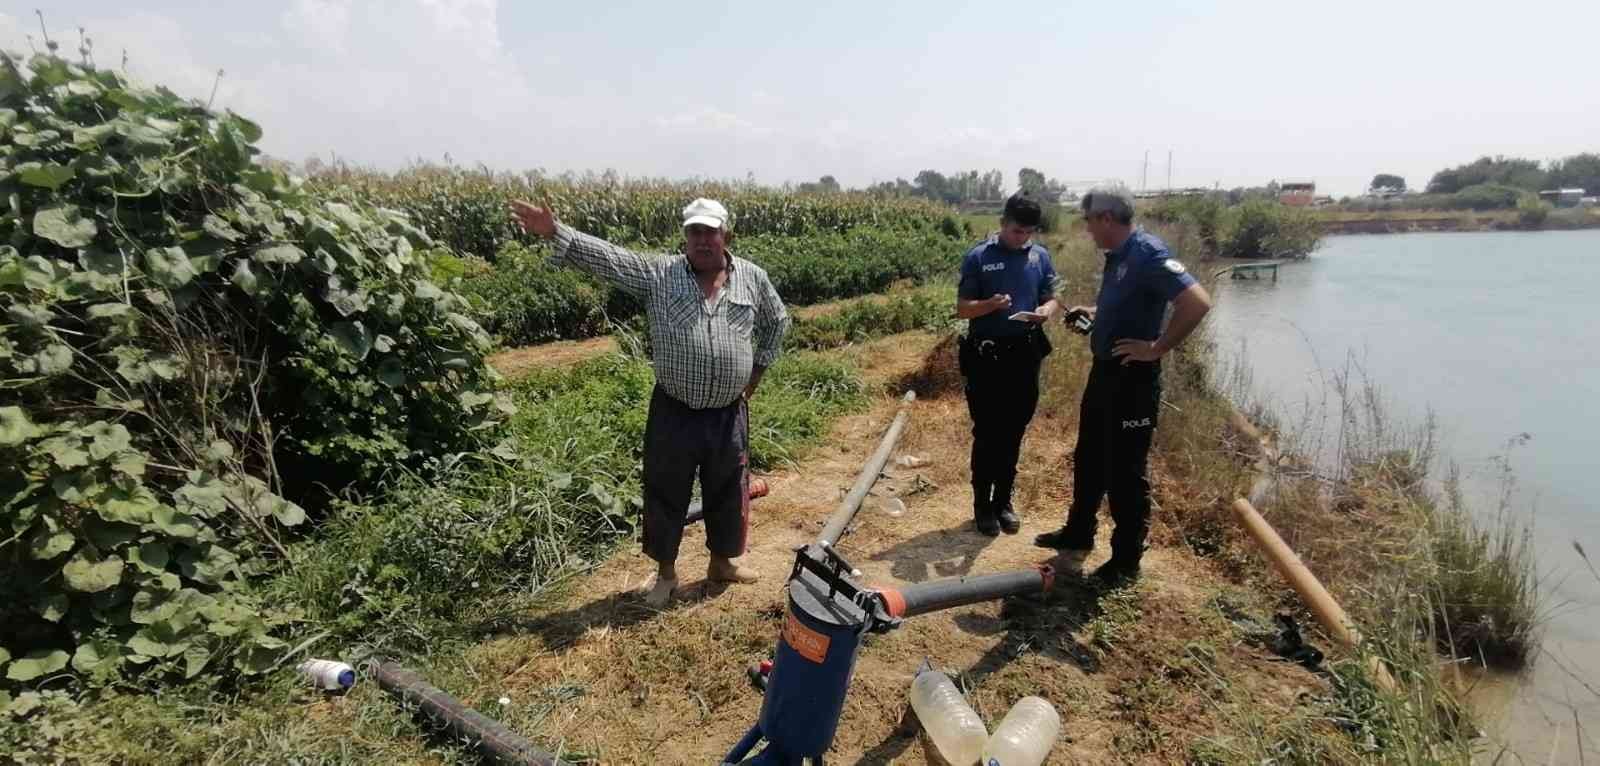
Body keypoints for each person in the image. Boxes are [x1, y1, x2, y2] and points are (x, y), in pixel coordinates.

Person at [511, 197, 790, 606]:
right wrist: (556, 232)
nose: (702, 240)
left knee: (729, 490)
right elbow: (610, 259)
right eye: (694, 231)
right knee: (665, 492)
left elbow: (777, 320)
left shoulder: (752, 277)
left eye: (710, 231)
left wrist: (756, 373)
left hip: (728, 413)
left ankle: (722, 564)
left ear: (724, 234)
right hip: (674, 411)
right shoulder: (659, 274)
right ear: (686, 237)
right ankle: (666, 575)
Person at [1034, 185, 1212, 585]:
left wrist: (1157, 347)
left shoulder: (1147, 253)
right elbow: (1124, 304)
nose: (1087, 229)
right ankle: (1078, 534)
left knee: (1125, 472)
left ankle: (1126, 560)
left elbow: (1197, 301)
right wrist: (1092, 312)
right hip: (1105, 374)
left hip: (1133, 380)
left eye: (1089, 220)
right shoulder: (1117, 257)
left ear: (1107, 219)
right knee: (1089, 457)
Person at [956, 193, 1061, 536]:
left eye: (1028, 232)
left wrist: (1046, 310)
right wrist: (989, 304)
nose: (1022, 238)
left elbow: (1051, 295)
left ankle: (1003, 501)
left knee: (1014, 430)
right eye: (1017, 231)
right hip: (987, 357)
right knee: (987, 432)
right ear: (1003, 224)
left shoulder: (1040, 257)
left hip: (1024, 355)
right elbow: (963, 308)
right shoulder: (978, 257)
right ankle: (981, 506)